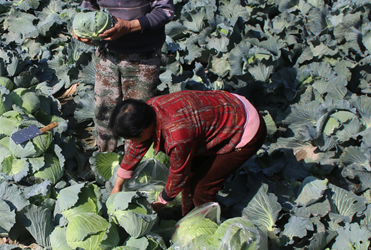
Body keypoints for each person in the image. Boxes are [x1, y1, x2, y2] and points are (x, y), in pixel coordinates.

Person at [74, 0, 174, 152]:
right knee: (103, 109)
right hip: (108, 54)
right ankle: (105, 156)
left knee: (136, 114)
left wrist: (129, 26)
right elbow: (88, 7)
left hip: (143, 56)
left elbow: (166, 11)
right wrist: (82, 29)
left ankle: (136, 160)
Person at [108, 91, 266, 216]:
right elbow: (137, 146)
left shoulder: (177, 137)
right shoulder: (148, 109)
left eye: (131, 137)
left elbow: (178, 173)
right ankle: (188, 217)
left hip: (244, 128)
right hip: (227, 108)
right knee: (191, 177)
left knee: (203, 188)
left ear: (143, 131)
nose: (132, 141)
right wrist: (118, 185)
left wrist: (161, 203)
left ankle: (207, 229)